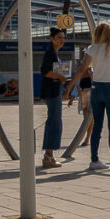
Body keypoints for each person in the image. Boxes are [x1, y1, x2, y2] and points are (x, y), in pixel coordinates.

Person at [70, 22, 110, 171]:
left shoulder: (92, 49)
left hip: (96, 88)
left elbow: (83, 67)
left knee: (97, 126)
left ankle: (94, 160)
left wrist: (69, 86)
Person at [40, 27, 68, 168]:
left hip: (54, 91)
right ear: (52, 38)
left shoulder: (54, 53)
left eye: (63, 38)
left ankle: (49, 154)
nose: (62, 40)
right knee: (54, 122)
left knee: (54, 122)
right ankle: (48, 155)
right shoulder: (50, 53)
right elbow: (45, 71)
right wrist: (60, 76)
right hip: (52, 92)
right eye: (59, 38)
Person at [68, 56, 93, 147]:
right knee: (86, 118)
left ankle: (87, 138)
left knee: (90, 118)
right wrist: (71, 99)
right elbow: (76, 87)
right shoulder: (80, 73)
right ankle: (89, 135)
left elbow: (96, 83)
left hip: (91, 95)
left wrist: (91, 75)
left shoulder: (92, 72)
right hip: (83, 96)